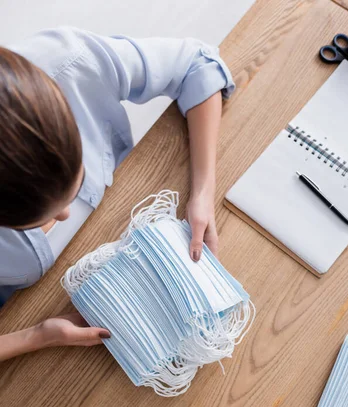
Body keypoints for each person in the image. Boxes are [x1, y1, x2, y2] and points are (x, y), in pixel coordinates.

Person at [0, 27, 234, 361]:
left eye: (75, 182)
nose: (66, 214)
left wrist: (203, 191)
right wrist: (34, 336)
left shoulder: (70, 63)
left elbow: (198, 65)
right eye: (43, 217)